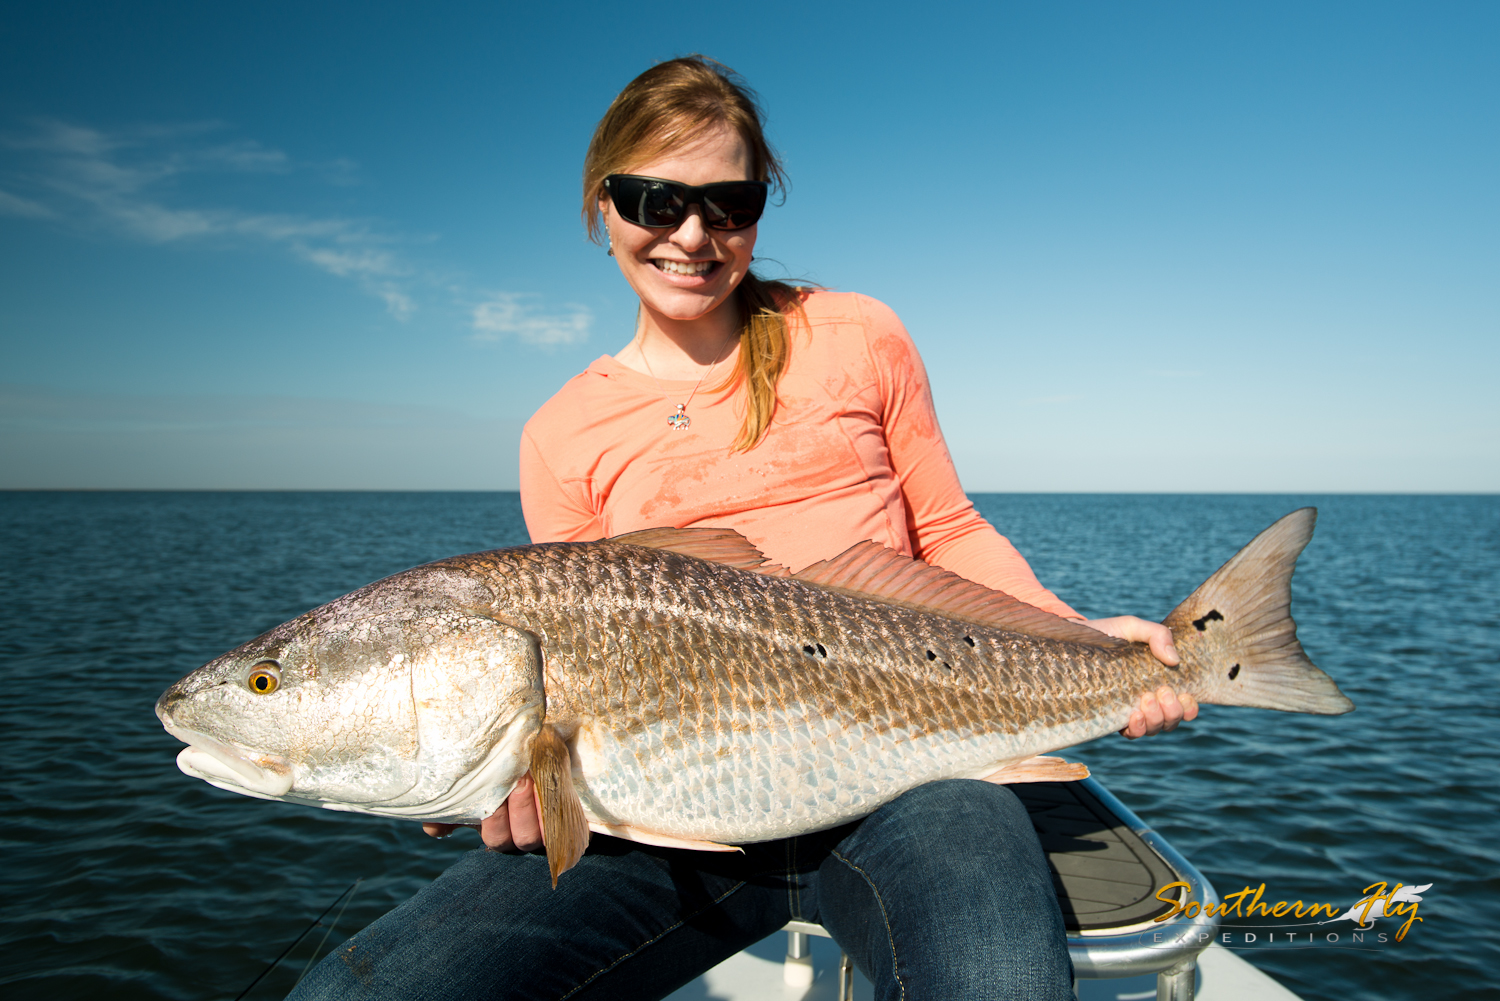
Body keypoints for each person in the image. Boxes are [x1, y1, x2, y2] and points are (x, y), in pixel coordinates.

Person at [290, 55, 1195, 1001]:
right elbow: (555, 668)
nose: (693, 234)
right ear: (603, 205)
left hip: (916, 779)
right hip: (657, 817)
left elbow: (948, 526)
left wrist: (1080, 636)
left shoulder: (856, 334)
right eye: (656, 200)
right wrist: (486, 786)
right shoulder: (560, 433)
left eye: (730, 203)